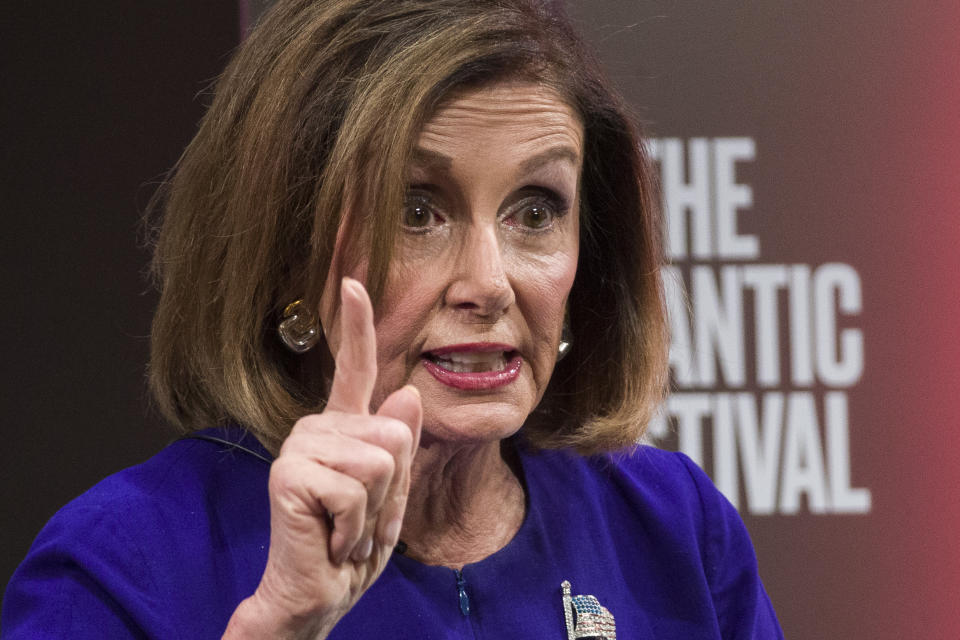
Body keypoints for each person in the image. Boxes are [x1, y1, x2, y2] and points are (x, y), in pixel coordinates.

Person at [3, 0, 783, 637]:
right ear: (286, 256)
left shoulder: (670, 530)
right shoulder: (123, 564)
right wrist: (280, 629)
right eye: (417, 212)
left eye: (535, 211)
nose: (490, 282)